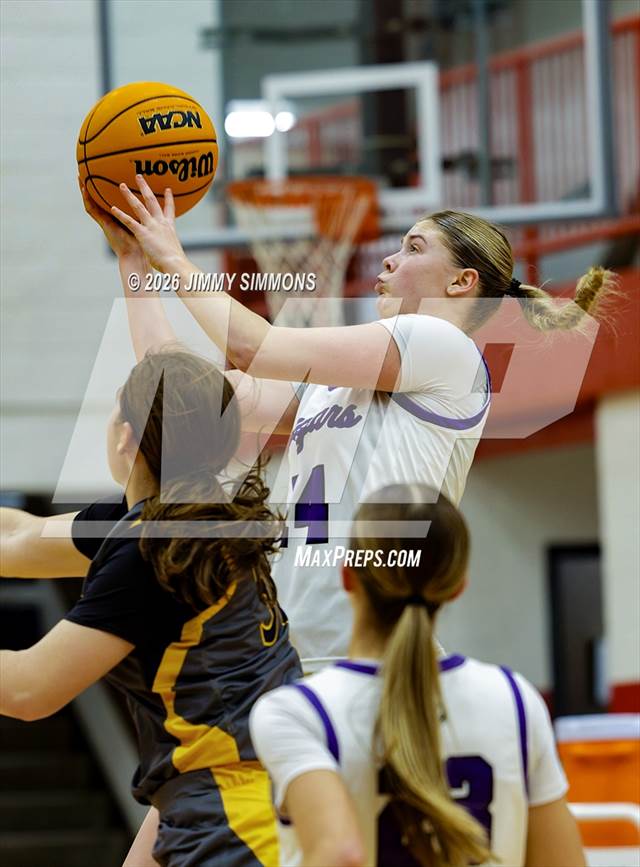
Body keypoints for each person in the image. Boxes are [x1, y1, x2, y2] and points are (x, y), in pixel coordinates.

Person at [104, 177, 615, 671]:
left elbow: (253, 348)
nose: (390, 259)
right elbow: (175, 393)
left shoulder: (445, 348)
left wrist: (173, 258)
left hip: (375, 658)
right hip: (293, 651)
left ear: (462, 282)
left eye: (414, 248)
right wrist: (134, 266)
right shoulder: (327, 388)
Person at [0, 348, 302, 867]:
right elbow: (18, 538)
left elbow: (28, 690)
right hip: (255, 797)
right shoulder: (194, 519)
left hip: (237, 822)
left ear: (126, 436)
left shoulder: (153, 550)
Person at [249, 484, 586, 867]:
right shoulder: (517, 700)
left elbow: (340, 854)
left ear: (347, 576)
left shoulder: (296, 712)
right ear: (457, 586)